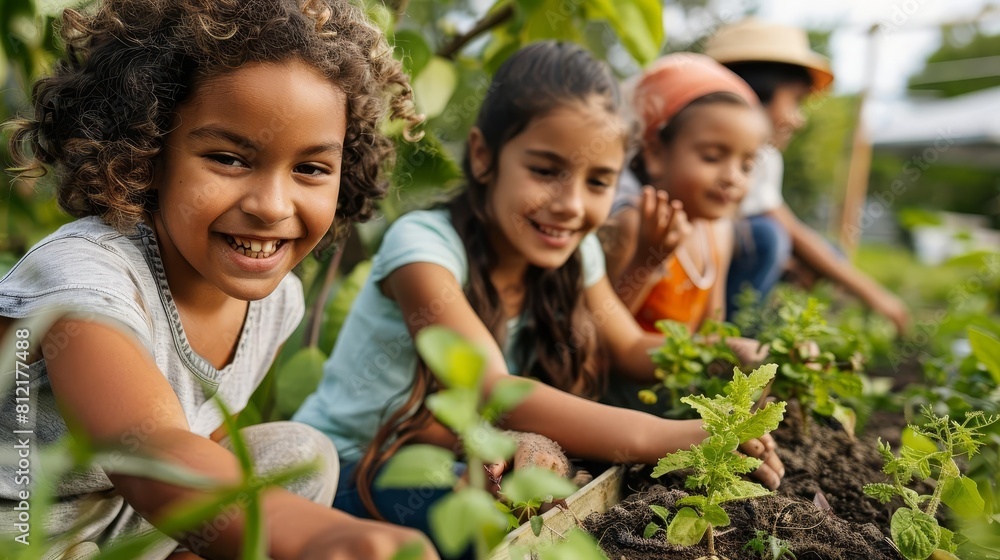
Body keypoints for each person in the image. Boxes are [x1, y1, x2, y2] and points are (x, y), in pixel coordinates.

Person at [293, 42, 785, 551]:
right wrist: (680, 436)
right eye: (546, 171)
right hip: (340, 469)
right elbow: (491, 389)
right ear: (484, 157)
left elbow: (631, 349)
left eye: (598, 181)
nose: (570, 205)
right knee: (503, 529)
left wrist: (728, 355)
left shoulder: (577, 256)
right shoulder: (423, 248)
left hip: (451, 454)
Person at [0, 0, 436, 558]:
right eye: (229, 159)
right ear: (148, 154)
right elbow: (149, 453)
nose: (272, 206)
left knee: (301, 455)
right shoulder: (85, 279)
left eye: (310, 168)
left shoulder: (278, 303)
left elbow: (194, 440)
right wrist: (327, 537)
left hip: (116, 529)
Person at [705, 18, 910, 333]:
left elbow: (787, 227)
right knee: (767, 237)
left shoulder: (765, 158)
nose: (799, 120)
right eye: (796, 101)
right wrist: (873, 294)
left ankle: (761, 329)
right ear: (751, 94)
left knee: (818, 251)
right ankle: (731, 339)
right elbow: (785, 228)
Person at [600, 53, 770, 338]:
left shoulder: (718, 232)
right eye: (712, 157)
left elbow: (711, 329)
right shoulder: (633, 224)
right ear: (654, 153)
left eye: (747, 165)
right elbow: (602, 336)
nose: (733, 177)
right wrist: (645, 261)